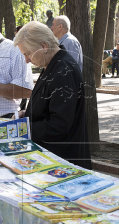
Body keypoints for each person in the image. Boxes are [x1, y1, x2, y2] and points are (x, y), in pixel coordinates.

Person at [14, 21, 92, 169]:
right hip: (54, 158)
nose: (26, 60)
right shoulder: (53, 63)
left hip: (63, 162)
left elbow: (59, 124)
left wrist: (23, 128)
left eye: (28, 53)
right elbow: (49, 105)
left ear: (44, 46)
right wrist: (27, 113)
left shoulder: (63, 70)